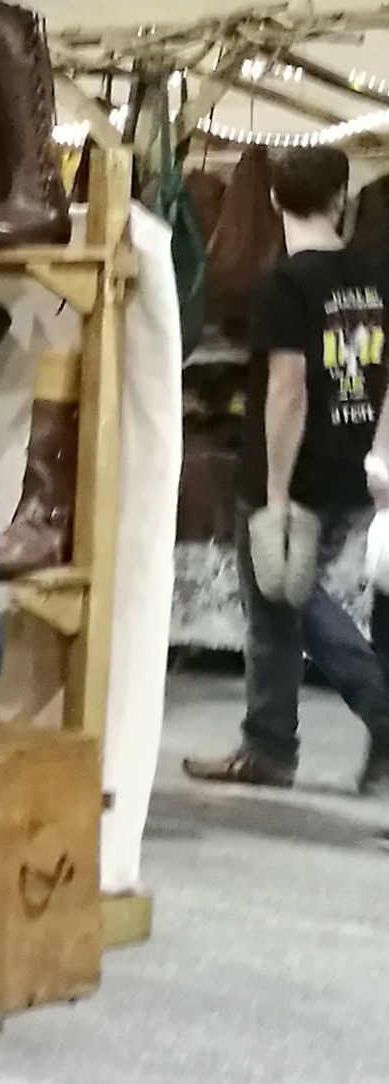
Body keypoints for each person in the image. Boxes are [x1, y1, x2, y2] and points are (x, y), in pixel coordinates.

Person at [184, 146, 389, 792]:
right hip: (352, 461)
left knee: (280, 600)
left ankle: (291, 740)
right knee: (290, 600)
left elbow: (286, 391)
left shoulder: (286, 283)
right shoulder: (373, 274)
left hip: (293, 470)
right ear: (340, 200)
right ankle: (271, 742)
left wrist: (272, 490)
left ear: (273, 199)